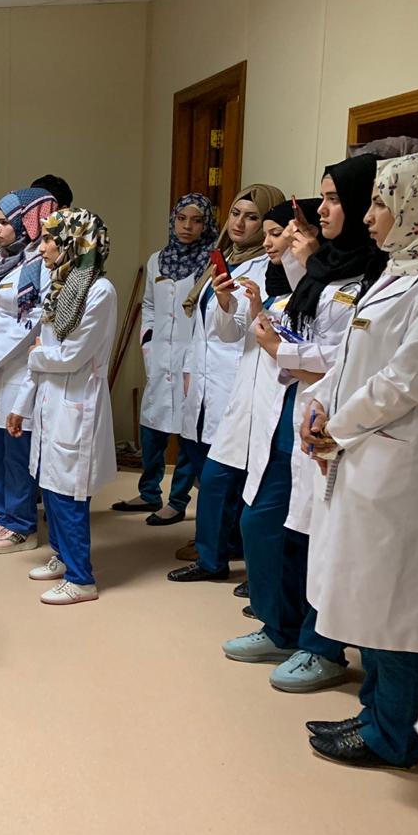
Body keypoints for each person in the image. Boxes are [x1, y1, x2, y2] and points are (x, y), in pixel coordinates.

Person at [300, 151, 418, 769]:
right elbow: (350, 361)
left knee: (401, 608)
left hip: (403, 467)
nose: (368, 215)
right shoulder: (398, 270)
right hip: (363, 454)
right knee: (372, 598)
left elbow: (407, 379)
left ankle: (394, 736)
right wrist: (316, 405)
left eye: (383, 202)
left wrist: (336, 426)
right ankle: (374, 713)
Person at [222, 185, 369, 692]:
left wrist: (279, 349)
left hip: (331, 423)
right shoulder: (311, 279)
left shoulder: (360, 279)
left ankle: (320, 646)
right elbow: (297, 338)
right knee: (264, 522)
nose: (289, 237)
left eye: (295, 228)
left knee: (315, 540)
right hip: (291, 415)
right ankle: (280, 628)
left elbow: (343, 360)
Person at [168, 183, 285, 580]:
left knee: (224, 476)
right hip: (206, 380)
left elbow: (243, 331)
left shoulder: (268, 267)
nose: (240, 223)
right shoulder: (224, 260)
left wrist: (228, 304)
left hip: (238, 381)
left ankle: (218, 552)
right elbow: (206, 329)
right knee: (210, 468)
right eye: (236, 213)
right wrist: (190, 370)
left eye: (252, 217)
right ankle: (221, 545)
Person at [9, 208, 117, 605]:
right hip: (50, 399)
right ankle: (63, 555)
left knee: (69, 492)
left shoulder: (99, 291)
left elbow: (71, 357)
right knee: (50, 485)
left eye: (51, 240)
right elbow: (45, 355)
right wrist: (20, 405)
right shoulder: (61, 285)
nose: (43, 247)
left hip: (77, 402)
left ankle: (81, 578)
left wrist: (37, 355)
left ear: (76, 243)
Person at [113, 194, 217, 524]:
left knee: (187, 434)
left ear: (206, 225)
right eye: (182, 219)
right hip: (159, 356)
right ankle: (149, 492)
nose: (187, 226)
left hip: (191, 359)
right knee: (152, 428)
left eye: (196, 220)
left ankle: (177, 500)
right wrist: (148, 345)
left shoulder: (212, 261)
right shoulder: (157, 260)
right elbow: (150, 305)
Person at [0, 188, 57, 554]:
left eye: (5, 222)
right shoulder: (0, 259)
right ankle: (3, 516)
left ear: (26, 223)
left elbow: (31, 323)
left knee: (16, 453)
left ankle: (22, 526)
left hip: (17, 372)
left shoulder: (41, 266)